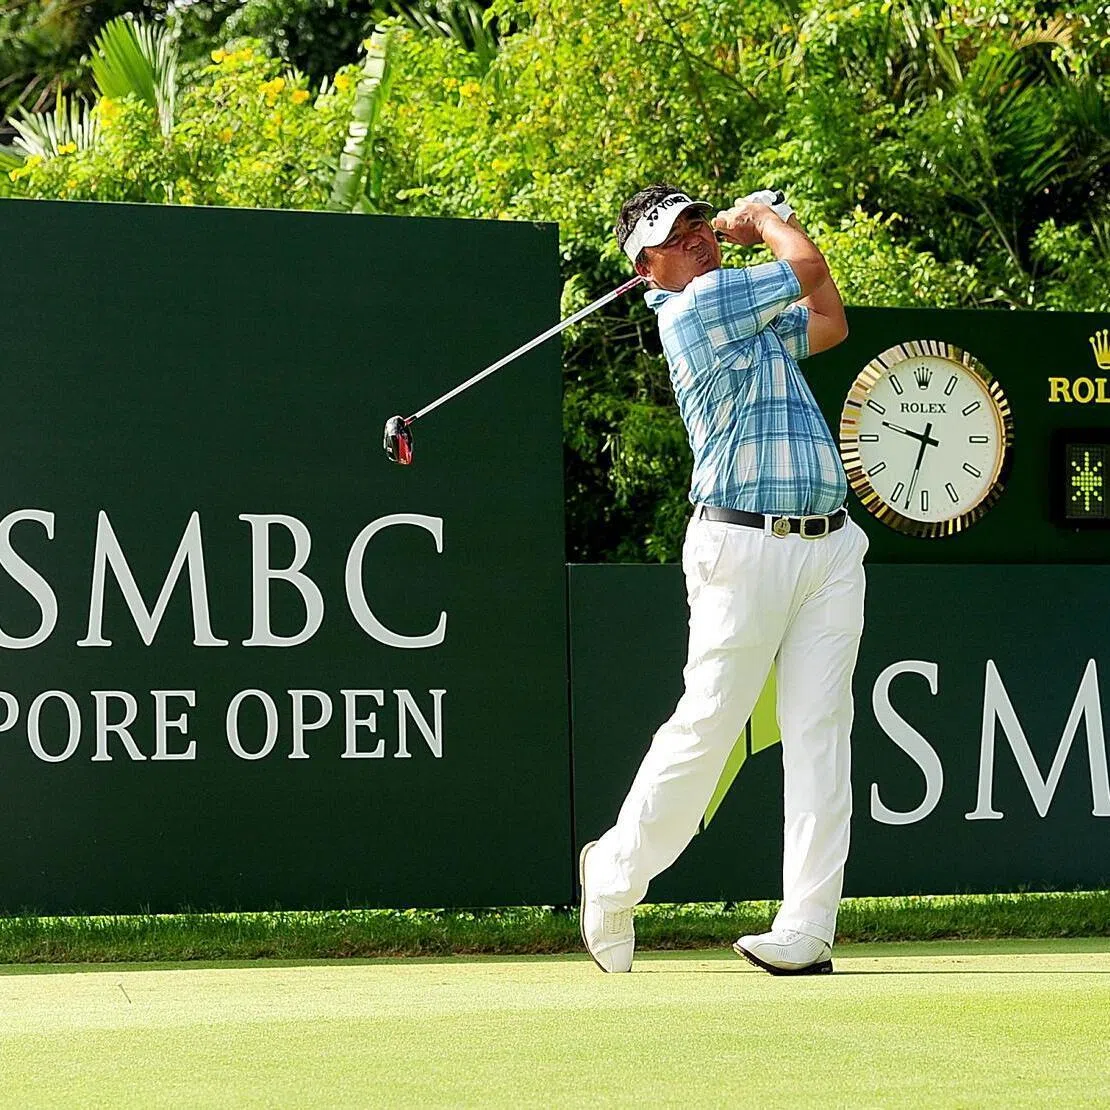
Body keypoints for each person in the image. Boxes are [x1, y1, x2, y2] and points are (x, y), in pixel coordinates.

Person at [578, 184, 867, 976]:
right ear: (647, 269)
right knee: (710, 721)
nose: (699, 237)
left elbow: (830, 319)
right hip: (741, 546)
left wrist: (778, 225)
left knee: (821, 733)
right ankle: (614, 874)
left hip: (830, 548)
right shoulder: (695, 311)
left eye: (700, 222)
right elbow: (806, 270)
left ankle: (807, 928)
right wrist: (766, 222)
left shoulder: (751, 320)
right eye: (677, 236)